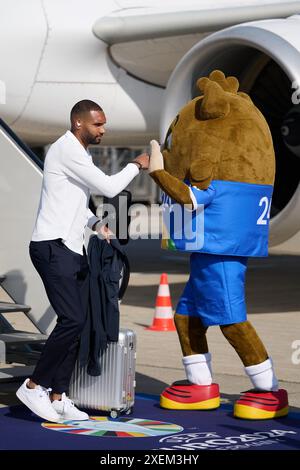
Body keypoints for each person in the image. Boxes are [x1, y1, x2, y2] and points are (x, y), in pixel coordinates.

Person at [16, 100, 149, 422]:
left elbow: (76, 201)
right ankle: (34, 386)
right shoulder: (67, 149)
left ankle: (59, 396)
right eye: (97, 124)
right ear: (79, 123)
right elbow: (108, 187)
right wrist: (136, 164)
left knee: (81, 323)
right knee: (72, 320)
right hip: (52, 248)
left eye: (103, 124)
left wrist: (94, 225)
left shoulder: (78, 152)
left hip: (71, 248)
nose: (102, 130)